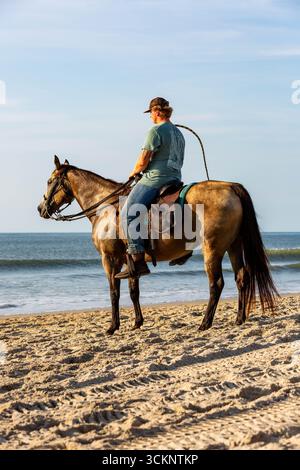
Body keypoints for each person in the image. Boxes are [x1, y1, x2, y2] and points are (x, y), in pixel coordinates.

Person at [115, 97, 185, 279]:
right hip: (176, 178)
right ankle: (184, 250)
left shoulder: (155, 131)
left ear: (156, 111)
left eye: (151, 114)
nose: (150, 117)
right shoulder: (179, 133)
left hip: (155, 179)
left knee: (129, 212)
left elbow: (143, 160)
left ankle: (138, 261)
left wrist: (133, 173)